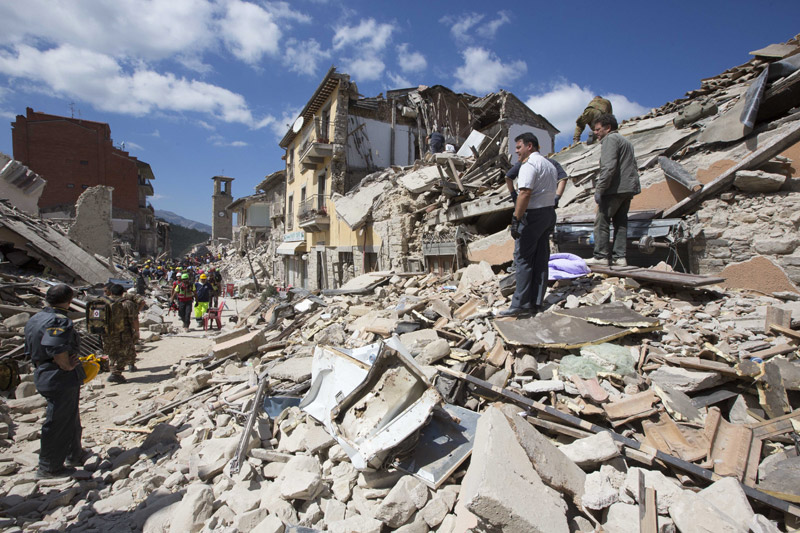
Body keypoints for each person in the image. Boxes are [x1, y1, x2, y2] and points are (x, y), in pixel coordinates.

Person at [24, 284, 85, 478]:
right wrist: (66, 365)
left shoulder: (35, 318)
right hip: (58, 375)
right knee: (58, 421)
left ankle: (75, 453)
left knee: (69, 416)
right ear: (69, 301)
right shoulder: (59, 320)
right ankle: (49, 466)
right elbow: (56, 348)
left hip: (43, 371)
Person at [497, 132, 557, 317]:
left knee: (523, 259)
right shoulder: (549, 164)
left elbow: (524, 193)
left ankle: (520, 304)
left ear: (529, 146)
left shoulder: (529, 165)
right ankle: (536, 301)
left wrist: (516, 218)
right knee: (541, 259)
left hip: (532, 216)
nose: (517, 152)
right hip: (548, 213)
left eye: (518, 147)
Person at [586, 114, 641, 267]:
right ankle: (620, 258)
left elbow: (608, 167)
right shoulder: (626, 142)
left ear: (608, 128)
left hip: (615, 189)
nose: (596, 133)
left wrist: (600, 189)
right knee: (621, 223)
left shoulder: (610, 140)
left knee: (602, 221)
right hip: (628, 188)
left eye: (598, 129)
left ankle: (601, 256)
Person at [104, 284, 139, 383]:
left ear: (111, 292)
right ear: (123, 293)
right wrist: (137, 331)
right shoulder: (127, 303)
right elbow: (134, 319)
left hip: (107, 333)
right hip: (123, 333)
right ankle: (116, 373)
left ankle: (113, 370)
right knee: (124, 352)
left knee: (112, 352)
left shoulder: (104, 302)